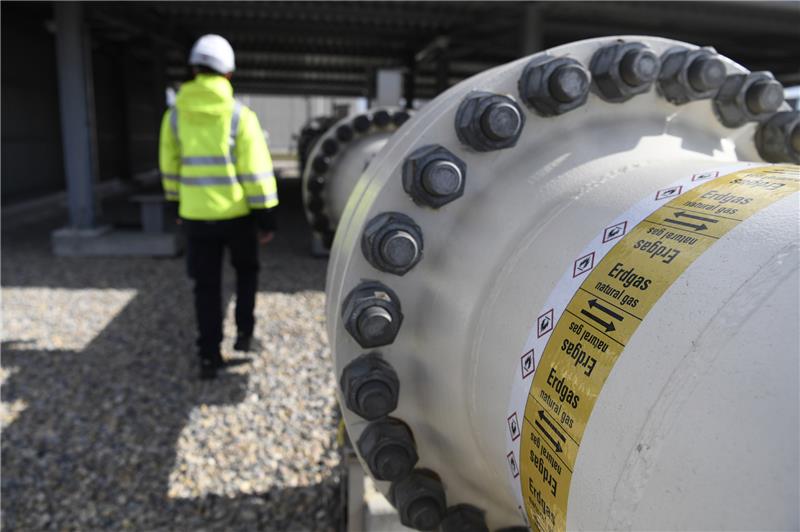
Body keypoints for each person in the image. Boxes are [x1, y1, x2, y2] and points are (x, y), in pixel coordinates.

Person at [159, 34, 279, 380]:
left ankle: (209, 356)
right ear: (228, 73)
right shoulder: (240, 116)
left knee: (206, 287)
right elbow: (256, 171)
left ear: (195, 69)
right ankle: (244, 335)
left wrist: (176, 204)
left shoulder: (175, 116)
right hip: (237, 217)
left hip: (196, 217)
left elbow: (169, 165)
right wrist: (265, 215)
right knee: (246, 274)